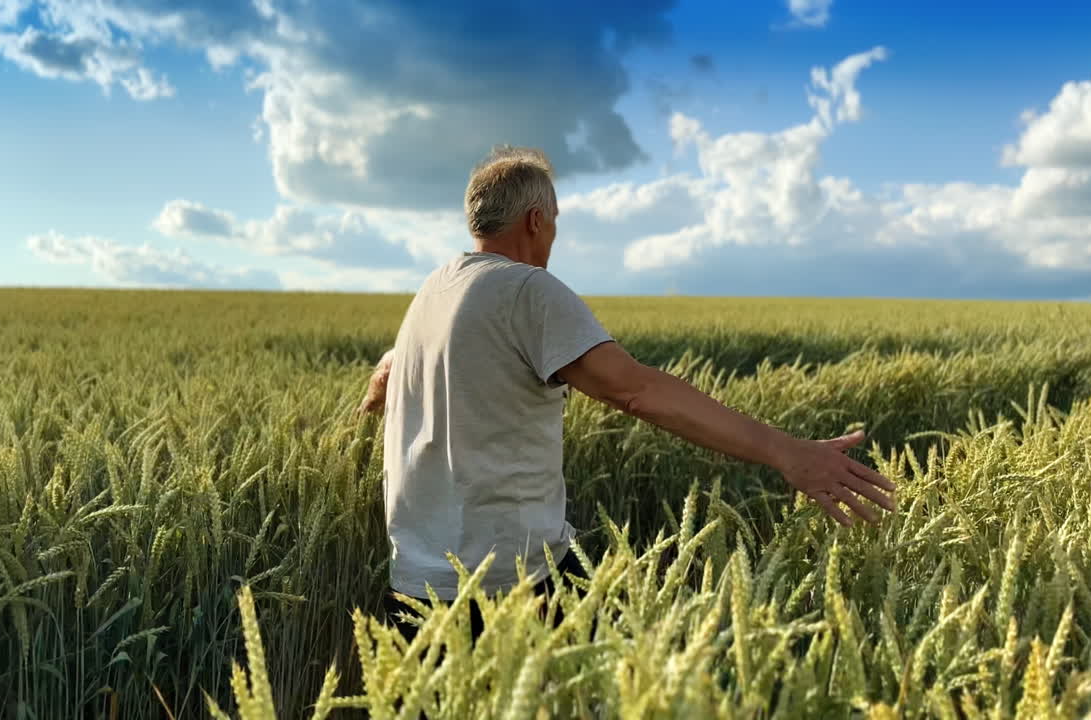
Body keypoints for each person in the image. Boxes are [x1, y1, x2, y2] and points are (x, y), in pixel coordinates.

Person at [358, 145, 895, 644]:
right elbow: (634, 390)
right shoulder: (527, 290)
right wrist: (786, 451)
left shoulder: (435, 287)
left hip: (415, 583)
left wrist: (381, 390)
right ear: (535, 221)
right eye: (555, 225)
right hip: (509, 584)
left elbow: (390, 363)